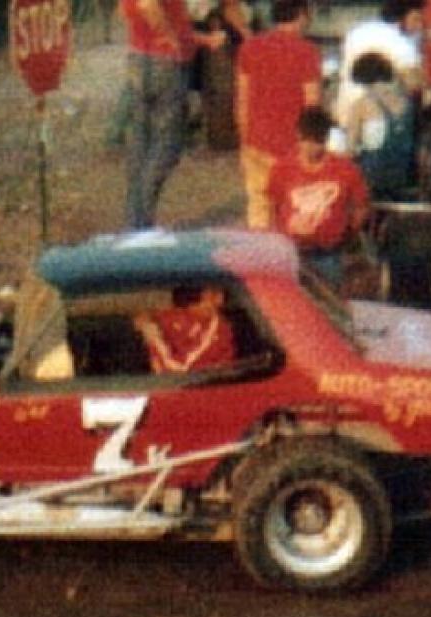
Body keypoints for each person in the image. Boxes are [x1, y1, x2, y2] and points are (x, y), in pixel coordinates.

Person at [120, 0, 227, 229]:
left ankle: (135, 222)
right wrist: (169, 37)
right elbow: (148, 5)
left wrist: (200, 39)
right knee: (167, 144)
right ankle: (141, 220)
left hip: (138, 57)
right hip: (166, 62)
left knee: (140, 145)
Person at [234, 0, 322, 229]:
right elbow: (312, 103)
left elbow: (242, 98)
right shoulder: (306, 52)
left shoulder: (250, 47)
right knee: (289, 209)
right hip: (291, 144)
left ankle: (259, 248)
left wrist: (244, 139)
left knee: (258, 205)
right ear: (301, 14)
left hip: (256, 140)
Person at [267, 106, 370, 289]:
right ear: (298, 136)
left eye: (318, 142)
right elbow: (273, 207)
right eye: (307, 141)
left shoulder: (345, 170)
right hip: (291, 254)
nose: (312, 148)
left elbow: (361, 206)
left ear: (326, 139)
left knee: (328, 300)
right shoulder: (282, 169)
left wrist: (347, 233)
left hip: (328, 255)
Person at [333, 0, 427, 129]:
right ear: (401, 17)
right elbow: (414, 86)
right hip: (379, 120)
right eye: (416, 19)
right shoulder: (402, 44)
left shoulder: (357, 31)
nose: (419, 25)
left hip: (346, 112)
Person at [343, 51, 414, 199]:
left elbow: (350, 150)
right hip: (404, 178)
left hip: (372, 180)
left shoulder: (361, 105)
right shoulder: (407, 102)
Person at [134, 286, 236, 372]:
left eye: (221, 295)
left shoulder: (221, 330)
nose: (220, 301)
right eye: (213, 294)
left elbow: (180, 370)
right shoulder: (167, 317)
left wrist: (152, 336)